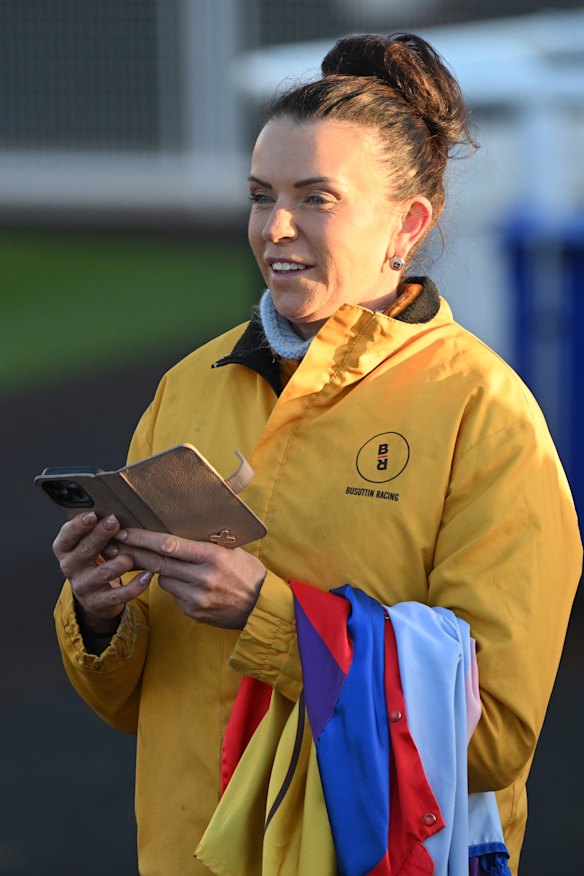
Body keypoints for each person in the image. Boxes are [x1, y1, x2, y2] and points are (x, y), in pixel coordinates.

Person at [52, 32, 581, 875]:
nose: (277, 228)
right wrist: (98, 609)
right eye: (261, 196)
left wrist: (267, 613)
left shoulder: (487, 415)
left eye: (317, 197)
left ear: (409, 223)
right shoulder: (185, 388)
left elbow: (495, 739)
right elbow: (132, 706)